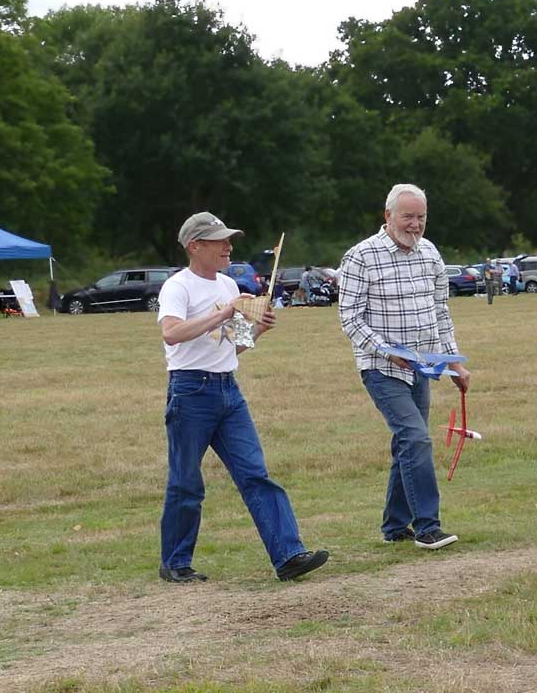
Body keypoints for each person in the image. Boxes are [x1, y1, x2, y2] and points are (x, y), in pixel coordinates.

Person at [156, 212, 328, 585]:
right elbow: (171, 333)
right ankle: (175, 563)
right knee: (186, 482)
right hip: (190, 391)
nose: (228, 247)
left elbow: (231, 346)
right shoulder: (177, 286)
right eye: (220, 241)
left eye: (228, 240)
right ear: (194, 246)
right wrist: (225, 313)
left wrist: (258, 329)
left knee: (255, 475)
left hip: (228, 391)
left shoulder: (228, 286)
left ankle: (288, 555)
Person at [336, 183, 466, 550]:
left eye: (421, 217)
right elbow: (349, 318)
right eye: (408, 216)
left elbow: (441, 311)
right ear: (388, 216)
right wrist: (386, 350)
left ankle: (395, 526)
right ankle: (427, 527)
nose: (415, 224)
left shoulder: (430, 253)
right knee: (415, 437)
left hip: (422, 367)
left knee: (407, 443)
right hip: (381, 368)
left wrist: (454, 362)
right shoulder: (361, 256)